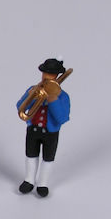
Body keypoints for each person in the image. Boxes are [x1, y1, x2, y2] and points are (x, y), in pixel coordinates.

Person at [16, 58, 71, 197]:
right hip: (33, 130)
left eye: (51, 74)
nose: (46, 77)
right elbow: (20, 106)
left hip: (50, 133)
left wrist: (53, 99)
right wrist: (31, 96)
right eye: (45, 73)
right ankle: (29, 180)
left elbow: (62, 118)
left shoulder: (63, 96)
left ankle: (43, 183)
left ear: (56, 76)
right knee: (30, 155)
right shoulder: (34, 89)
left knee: (48, 158)